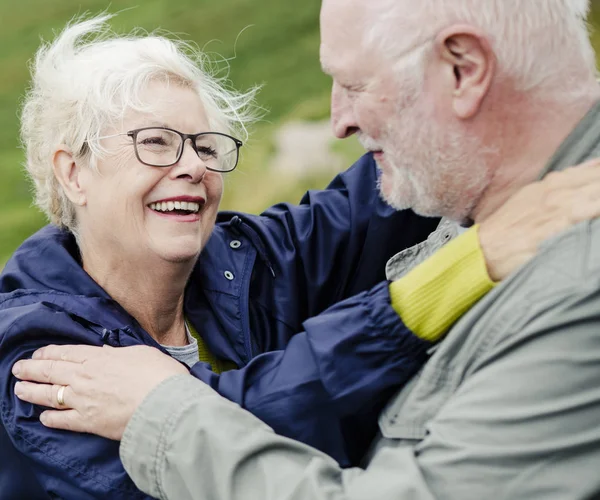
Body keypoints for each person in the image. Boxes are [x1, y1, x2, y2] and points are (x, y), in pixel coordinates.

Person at [13, 0, 600, 499]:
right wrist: (463, 269)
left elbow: (407, 166)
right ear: (74, 173)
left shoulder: (248, 264)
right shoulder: (29, 355)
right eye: (157, 144)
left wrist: (545, 104)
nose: (192, 166)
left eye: (205, 145)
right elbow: (205, 437)